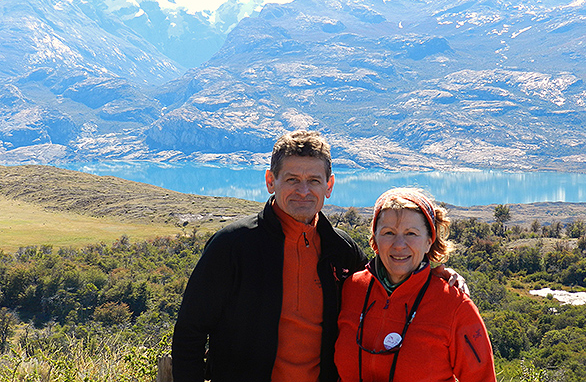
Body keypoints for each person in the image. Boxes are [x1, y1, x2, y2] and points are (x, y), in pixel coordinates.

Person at [171, 131, 465, 382]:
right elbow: (189, 333)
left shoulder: (341, 249)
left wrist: (435, 274)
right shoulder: (232, 246)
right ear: (271, 181)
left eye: (313, 180)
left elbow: (388, 280)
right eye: (292, 179)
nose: (303, 191)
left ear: (330, 185)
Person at [334, 187, 496, 382]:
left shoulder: (454, 306)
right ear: (374, 239)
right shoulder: (351, 288)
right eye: (388, 233)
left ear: (429, 241)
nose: (399, 244)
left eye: (411, 233)